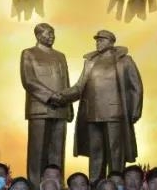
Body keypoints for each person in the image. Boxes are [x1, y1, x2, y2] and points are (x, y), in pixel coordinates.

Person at [62, 29, 144, 181]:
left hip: (115, 113)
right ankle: (95, 185)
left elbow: (136, 86)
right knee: (95, 153)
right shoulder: (90, 62)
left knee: (115, 152)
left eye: (101, 40)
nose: (98, 43)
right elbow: (79, 87)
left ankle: (116, 184)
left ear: (111, 42)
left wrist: (136, 110)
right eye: (97, 40)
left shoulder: (124, 60)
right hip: (93, 114)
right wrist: (60, 96)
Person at [20, 23, 73, 185]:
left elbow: (66, 82)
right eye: (48, 33)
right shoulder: (29, 53)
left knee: (58, 151)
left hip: (61, 108)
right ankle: (36, 185)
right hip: (40, 107)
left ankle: (57, 185)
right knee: (38, 151)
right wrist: (50, 96)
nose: (51, 36)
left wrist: (69, 106)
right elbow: (29, 80)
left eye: (53, 33)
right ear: (38, 36)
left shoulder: (60, 56)